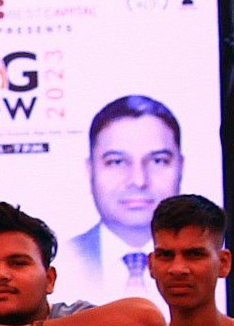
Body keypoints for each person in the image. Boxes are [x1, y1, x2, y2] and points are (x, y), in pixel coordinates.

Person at [0, 201, 163, 326]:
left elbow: (149, 321)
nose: (1, 275)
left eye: (18, 263)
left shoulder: (78, 322)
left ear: (49, 279)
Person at [58, 95, 184, 305]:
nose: (138, 181)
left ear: (181, 167)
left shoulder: (214, 258)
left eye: (157, 160)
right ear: (90, 169)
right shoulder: (59, 260)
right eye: (117, 162)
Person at [148, 193, 234, 326]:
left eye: (194, 254)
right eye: (165, 255)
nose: (177, 269)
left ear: (223, 263)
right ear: (151, 265)